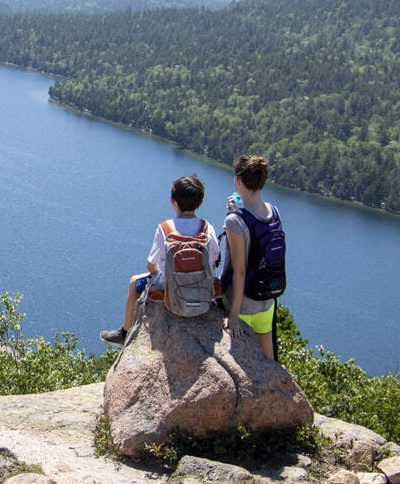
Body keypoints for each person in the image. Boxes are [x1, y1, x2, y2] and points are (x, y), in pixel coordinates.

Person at [100, 175, 220, 348]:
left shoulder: (166, 228)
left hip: (170, 290)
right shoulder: (207, 228)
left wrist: (160, 270)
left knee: (134, 282)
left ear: (173, 201)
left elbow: (151, 265)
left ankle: (125, 333)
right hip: (202, 288)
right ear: (200, 202)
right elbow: (214, 260)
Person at [222, 154, 279, 359]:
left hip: (243, 305)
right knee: (270, 365)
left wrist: (233, 317)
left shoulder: (234, 221)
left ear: (238, 181)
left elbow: (240, 270)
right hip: (266, 303)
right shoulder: (274, 211)